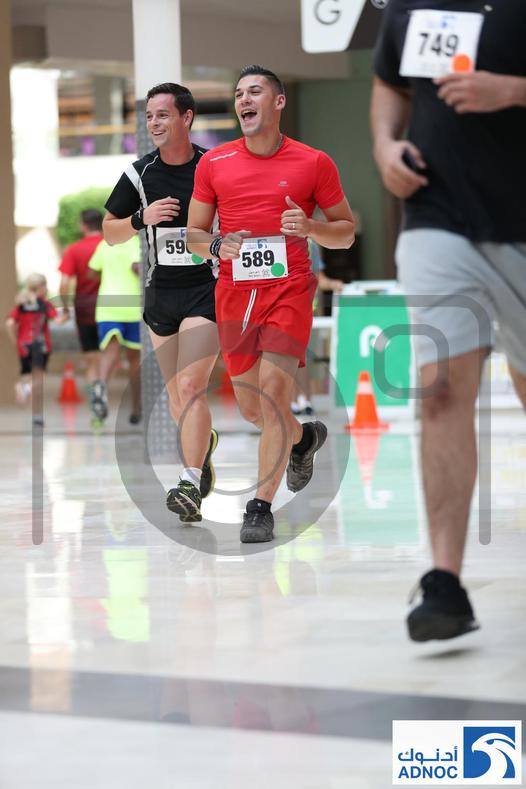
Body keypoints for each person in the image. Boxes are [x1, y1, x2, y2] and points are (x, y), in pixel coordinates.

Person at [371, 0, 526, 641]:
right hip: (436, 216)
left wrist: (512, 91)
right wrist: (384, 145)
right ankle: (444, 581)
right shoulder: (409, 6)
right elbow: (390, 84)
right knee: (439, 393)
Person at [188, 65, 355, 543]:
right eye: (239, 93)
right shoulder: (214, 163)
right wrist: (216, 245)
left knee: (274, 394)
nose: (244, 99)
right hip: (235, 294)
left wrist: (312, 228)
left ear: (278, 102)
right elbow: (194, 236)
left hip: (290, 290)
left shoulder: (313, 162)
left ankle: (259, 507)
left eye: (255, 91)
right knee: (251, 409)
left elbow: (345, 232)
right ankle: (303, 439)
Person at [103, 82, 219, 523]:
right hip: (160, 295)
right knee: (176, 397)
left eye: (163, 115)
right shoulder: (139, 174)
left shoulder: (214, 166)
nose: (154, 123)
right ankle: (203, 446)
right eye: (150, 116)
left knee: (191, 387)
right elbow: (109, 231)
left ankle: (189, 480)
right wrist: (140, 218)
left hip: (206, 289)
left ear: (186, 117)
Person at [87, 236, 142, 424]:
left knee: (110, 352)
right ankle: (136, 409)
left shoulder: (106, 243)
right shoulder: (138, 242)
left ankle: (101, 385)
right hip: (133, 307)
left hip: (107, 306)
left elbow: (91, 272)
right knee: (135, 359)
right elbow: (137, 268)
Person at [291, 239, 344, 417]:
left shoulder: (310, 245)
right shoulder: (275, 241)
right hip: (284, 310)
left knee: (304, 359)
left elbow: (319, 277)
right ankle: (293, 401)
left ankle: (305, 400)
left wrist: (334, 284)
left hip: (306, 312)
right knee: (287, 357)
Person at [6, 273, 65, 427]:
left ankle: (27, 396)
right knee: (38, 381)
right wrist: (66, 315)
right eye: (45, 285)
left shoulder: (22, 304)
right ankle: (32, 405)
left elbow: (10, 323)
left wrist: (15, 341)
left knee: (28, 376)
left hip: (23, 345)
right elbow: (58, 321)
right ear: (40, 287)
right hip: (40, 345)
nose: (47, 289)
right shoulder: (44, 304)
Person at [58, 209, 103, 391]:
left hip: (84, 308)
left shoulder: (74, 249)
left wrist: (65, 309)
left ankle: (95, 396)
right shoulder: (110, 246)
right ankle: (103, 390)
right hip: (109, 308)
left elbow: (64, 284)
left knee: (91, 357)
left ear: (83, 226)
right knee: (108, 355)